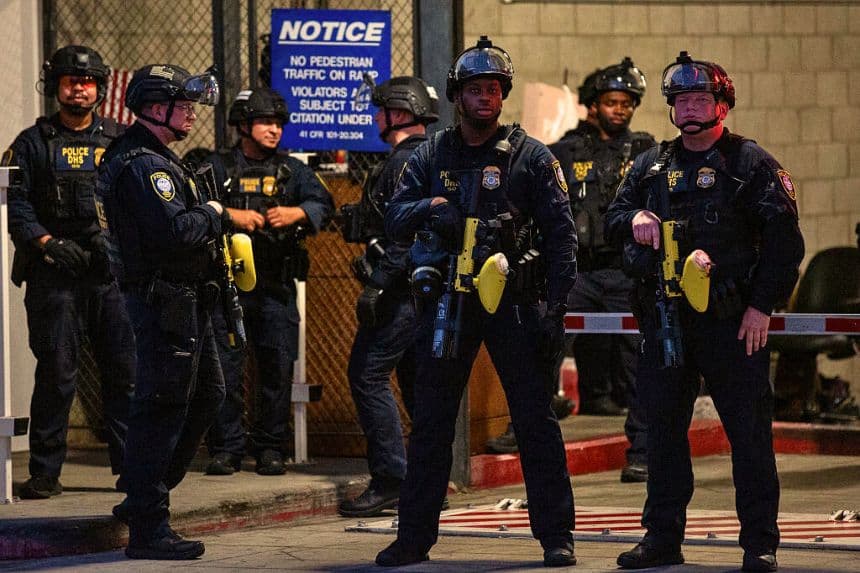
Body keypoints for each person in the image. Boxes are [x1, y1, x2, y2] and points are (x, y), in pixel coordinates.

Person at [376, 36, 577, 568]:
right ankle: (413, 538)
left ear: (503, 95)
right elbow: (393, 218)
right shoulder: (430, 153)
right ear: (456, 95)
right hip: (449, 301)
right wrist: (432, 208)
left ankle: (557, 536)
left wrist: (554, 310)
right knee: (433, 424)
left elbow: (562, 236)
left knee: (535, 422)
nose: (485, 97)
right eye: (474, 89)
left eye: (493, 89)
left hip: (514, 302)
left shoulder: (531, 157)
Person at [606, 52, 804, 572]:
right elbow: (612, 220)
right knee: (664, 438)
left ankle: (759, 544)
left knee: (750, 439)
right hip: (666, 322)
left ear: (721, 105)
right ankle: (662, 540)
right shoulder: (652, 165)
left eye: (701, 99)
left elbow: (785, 245)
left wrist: (761, 309)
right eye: (681, 100)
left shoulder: (750, 163)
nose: (690, 108)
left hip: (731, 323)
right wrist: (636, 218)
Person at [95, 63, 225, 559]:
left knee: (208, 394)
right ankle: (149, 525)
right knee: (161, 407)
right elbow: (174, 234)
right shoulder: (145, 165)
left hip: (184, 297)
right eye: (182, 104)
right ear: (154, 107)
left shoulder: (157, 158)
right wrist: (212, 213)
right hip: (163, 298)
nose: (191, 112)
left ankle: (143, 492)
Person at [2, 45, 134, 500]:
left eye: (87, 81)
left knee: (125, 371)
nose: (79, 87)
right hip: (52, 276)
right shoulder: (30, 143)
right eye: (70, 81)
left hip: (109, 274)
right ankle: (44, 472)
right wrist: (48, 244)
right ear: (55, 86)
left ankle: (131, 468)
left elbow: (135, 203)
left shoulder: (120, 141)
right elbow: (16, 208)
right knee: (57, 372)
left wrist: (111, 244)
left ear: (99, 88)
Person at [203, 87, 333, 476]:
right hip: (225, 287)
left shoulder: (293, 171)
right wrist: (230, 215)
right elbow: (192, 207)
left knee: (277, 367)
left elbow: (325, 206)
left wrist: (296, 212)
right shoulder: (217, 167)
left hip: (276, 285)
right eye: (265, 122)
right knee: (224, 368)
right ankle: (226, 447)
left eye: (279, 123)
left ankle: (270, 447)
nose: (275, 130)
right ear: (243, 125)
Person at [337, 76, 438, 517]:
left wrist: (379, 282)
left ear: (398, 113)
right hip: (428, 289)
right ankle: (427, 479)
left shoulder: (403, 162)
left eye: (381, 110)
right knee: (418, 383)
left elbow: (406, 230)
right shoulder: (432, 156)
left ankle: (392, 478)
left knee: (367, 373)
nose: (376, 117)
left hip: (401, 290)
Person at [550, 58, 655, 483]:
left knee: (641, 363)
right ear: (593, 104)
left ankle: (644, 452)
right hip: (577, 272)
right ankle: (521, 430)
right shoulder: (564, 150)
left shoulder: (647, 151)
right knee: (543, 344)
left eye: (627, 103)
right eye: (612, 101)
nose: (621, 110)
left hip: (626, 271)